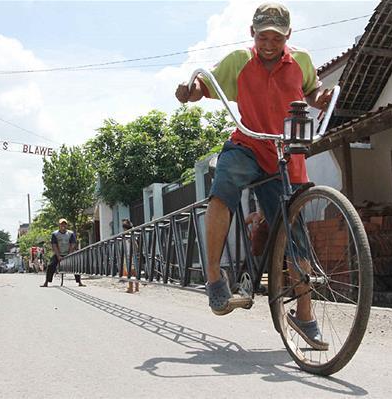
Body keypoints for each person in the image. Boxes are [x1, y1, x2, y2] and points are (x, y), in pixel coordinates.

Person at [175, 2, 332, 350]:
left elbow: (312, 90)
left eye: (277, 36)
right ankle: (215, 279)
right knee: (224, 186)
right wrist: (191, 93)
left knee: (295, 233)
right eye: (264, 36)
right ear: (253, 34)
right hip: (249, 144)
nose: (270, 43)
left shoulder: (301, 61)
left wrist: (322, 97)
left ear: (287, 36)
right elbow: (205, 85)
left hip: (285, 150)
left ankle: (305, 316)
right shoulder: (239, 62)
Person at [40, 218, 85, 287]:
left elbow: (72, 244)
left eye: (65, 224)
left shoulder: (71, 233)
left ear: (66, 225)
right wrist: (58, 256)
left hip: (69, 253)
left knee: (76, 265)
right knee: (51, 265)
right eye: (62, 224)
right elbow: (54, 245)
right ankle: (46, 282)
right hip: (59, 253)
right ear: (59, 225)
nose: (63, 225)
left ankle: (79, 282)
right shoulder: (55, 234)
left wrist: (69, 255)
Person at [122, 219, 139, 293]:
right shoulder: (131, 234)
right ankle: (136, 288)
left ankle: (131, 288)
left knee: (130, 272)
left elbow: (135, 245)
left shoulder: (129, 235)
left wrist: (133, 252)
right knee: (134, 272)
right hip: (131, 255)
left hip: (130, 255)